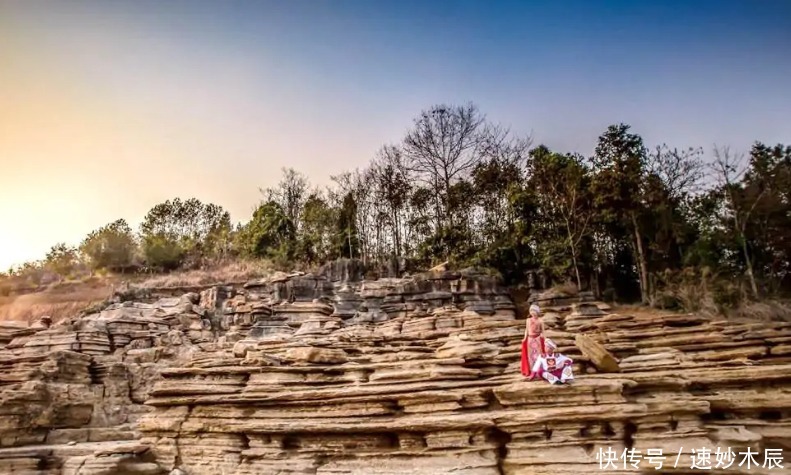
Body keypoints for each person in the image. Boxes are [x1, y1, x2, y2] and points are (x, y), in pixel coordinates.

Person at [521, 304, 546, 379]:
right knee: (530, 356)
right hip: (530, 339)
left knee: (538, 355)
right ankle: (531, 371)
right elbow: (526, 330)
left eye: (534, 311)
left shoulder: (540, 320)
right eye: (531, 311)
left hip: (538, 339)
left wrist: (546, 339)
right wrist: (524, 338)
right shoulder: (528, 320)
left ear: (537, 312)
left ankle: (539, 371)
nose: (532, 312)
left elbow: (543, 331)